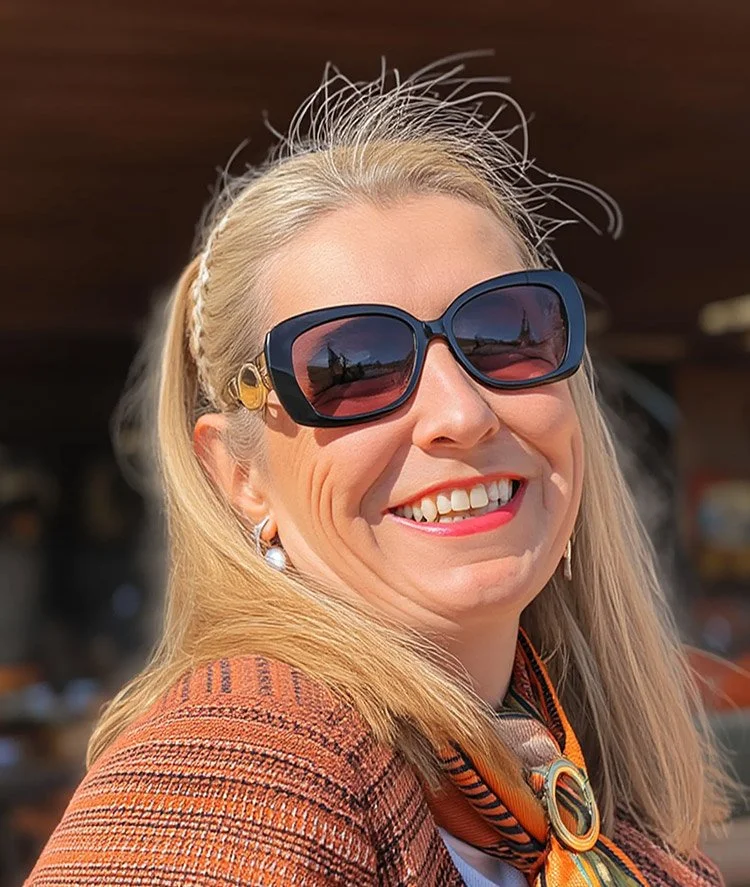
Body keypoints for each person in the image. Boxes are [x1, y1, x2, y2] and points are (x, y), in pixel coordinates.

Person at [27, 59, 730, 886]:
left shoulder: (561, 789)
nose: (462, 414)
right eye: (351, 365)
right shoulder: (242, 759)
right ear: (237, 474)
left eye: (505, 332)